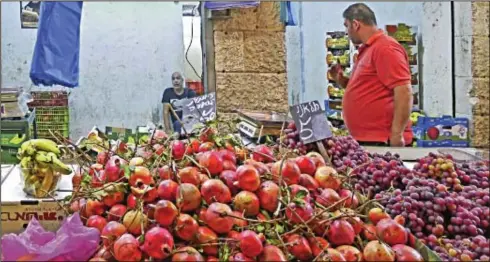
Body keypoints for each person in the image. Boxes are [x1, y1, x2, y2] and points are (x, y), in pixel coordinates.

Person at [330, 3, 413, 147]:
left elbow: (404, 91)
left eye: (347, 25)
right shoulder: (368, 49)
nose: (346, 31)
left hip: (382, 140)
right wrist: (341, 80)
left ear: (355, 25)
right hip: (368, 139)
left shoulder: (385, 48)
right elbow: (368, 88)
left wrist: (396, 134)